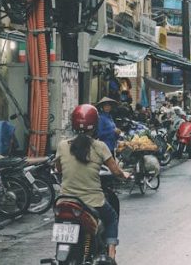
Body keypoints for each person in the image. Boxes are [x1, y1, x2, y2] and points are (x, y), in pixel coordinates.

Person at [56, 104, 131, 262]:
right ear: (95, 125)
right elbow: (116, 171)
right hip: (92, 201)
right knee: (111, 218)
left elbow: (59, 169)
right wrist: (125, 175)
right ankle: (111, 256)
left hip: (65, 201)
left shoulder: (62, 145)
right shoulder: (100, 147)